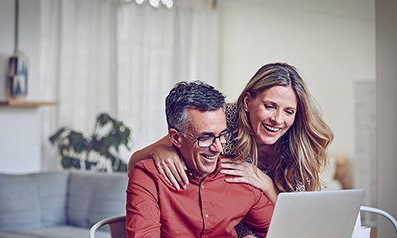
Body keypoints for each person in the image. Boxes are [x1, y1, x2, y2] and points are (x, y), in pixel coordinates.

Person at [127, 63, 334, 205]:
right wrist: (161, 150)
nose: (278, 120)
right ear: (247, 102)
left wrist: (266, 184)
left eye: (289, 111)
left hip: (276, 235)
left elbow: (299, 217)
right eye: (269, 106)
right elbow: (133, 165)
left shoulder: (298, 142)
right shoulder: (221, 120)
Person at [126, 81, 274, 238]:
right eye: (205, 137)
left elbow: (284, 232)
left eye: (222, 135)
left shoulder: (238, 175)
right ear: (176, 138)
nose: (218, 147)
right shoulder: (148, 176)